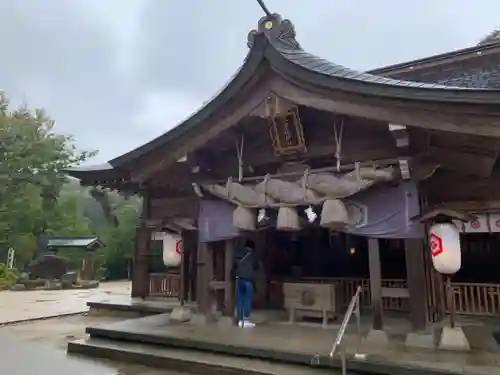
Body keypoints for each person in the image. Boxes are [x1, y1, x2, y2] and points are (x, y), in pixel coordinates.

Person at [232, 239, 259, 328]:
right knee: (247, 299)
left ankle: (240, 320)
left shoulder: (238, 254)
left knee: (240, 299)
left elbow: (234, 266)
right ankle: (246, 320)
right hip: (248, 280)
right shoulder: (253, 255)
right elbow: (256, 267)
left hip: (239, 279)